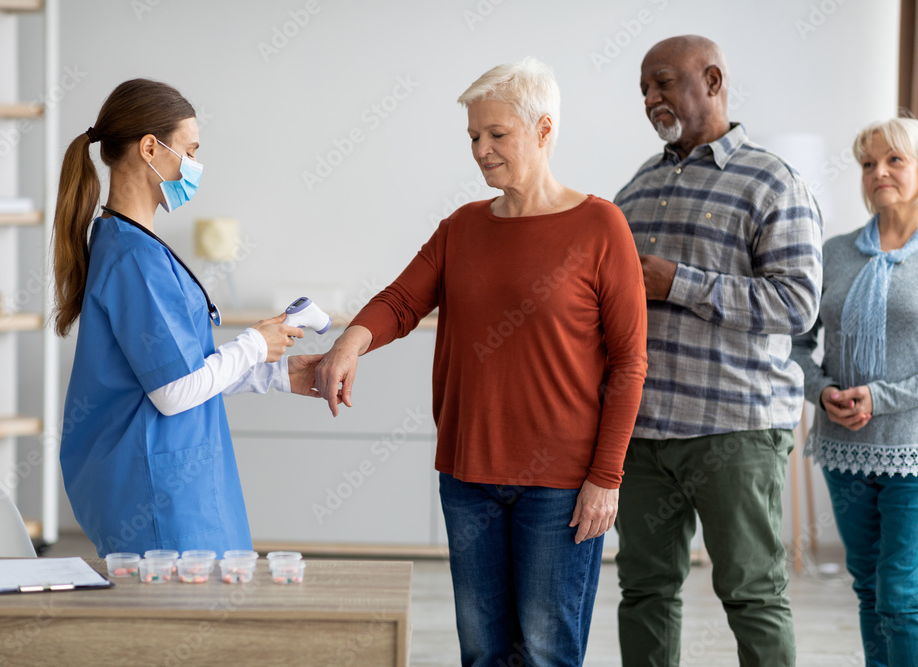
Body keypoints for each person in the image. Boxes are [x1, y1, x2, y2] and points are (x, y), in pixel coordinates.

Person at [315, 57, 648, 666]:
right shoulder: (461, 228)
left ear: (544, 131)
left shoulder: (602, 226)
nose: (480, 150)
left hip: (563, 484)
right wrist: (350, 341)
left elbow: (629, 364)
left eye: (497, 135)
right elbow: (401, 300)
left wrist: (606, 477)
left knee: (547, 651)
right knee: (483, 653)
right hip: (469, 477)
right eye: (473, 136)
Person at [613, 35, 823, 666]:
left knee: (753, 594)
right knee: (644, 591)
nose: (651, 98)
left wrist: (679, 281)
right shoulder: (637, 186)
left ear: (711, 79)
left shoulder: (772, 182)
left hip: (736, 429)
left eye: (664, 83)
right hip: (644, 431)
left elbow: (795, 305)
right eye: (644, 89)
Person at [52, 79, 319, 557]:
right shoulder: (134, 257)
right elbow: (174, 392)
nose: (195, 166)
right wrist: (253, 345)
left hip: (176, 481)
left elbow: (180, 369)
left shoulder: (130, 244)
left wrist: (271, 373)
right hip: (160, 496)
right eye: (190, 150)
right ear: (150, 149)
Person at [791, 118, 918, 666]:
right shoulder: (835, 252)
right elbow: (795, 344)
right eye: (868, 164)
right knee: (868, 589)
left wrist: (878, 399)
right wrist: (822, 393)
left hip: (912, 451)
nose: (878, 173)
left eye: (894, 160)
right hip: (843, 452)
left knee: (902, 598)